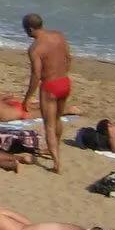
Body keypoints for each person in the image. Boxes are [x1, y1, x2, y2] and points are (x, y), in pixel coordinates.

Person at [21, 13, 73, 173]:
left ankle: (56, 164)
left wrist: (28, 97)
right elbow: (69, 58)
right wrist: (62, 73)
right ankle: (53, 149)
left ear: (30, 29)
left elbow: (36, 75)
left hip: (50, 86)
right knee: (57, 119)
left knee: (49, 125)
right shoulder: (59, 36)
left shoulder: (35, 48)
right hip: (64, 82)